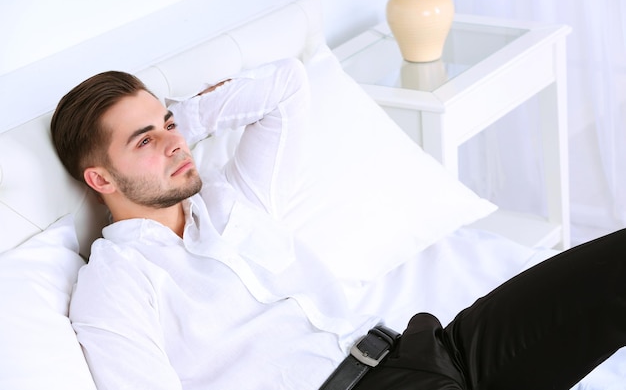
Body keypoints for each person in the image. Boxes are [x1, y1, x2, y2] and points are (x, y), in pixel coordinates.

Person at [51, 58, 626, 390]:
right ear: (101, 179)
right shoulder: (115, 283)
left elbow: (288, 86)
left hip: (433, 351)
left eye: (169, 122)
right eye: (145, 140)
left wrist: (189, 113)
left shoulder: (235, 200)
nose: (176, 142)